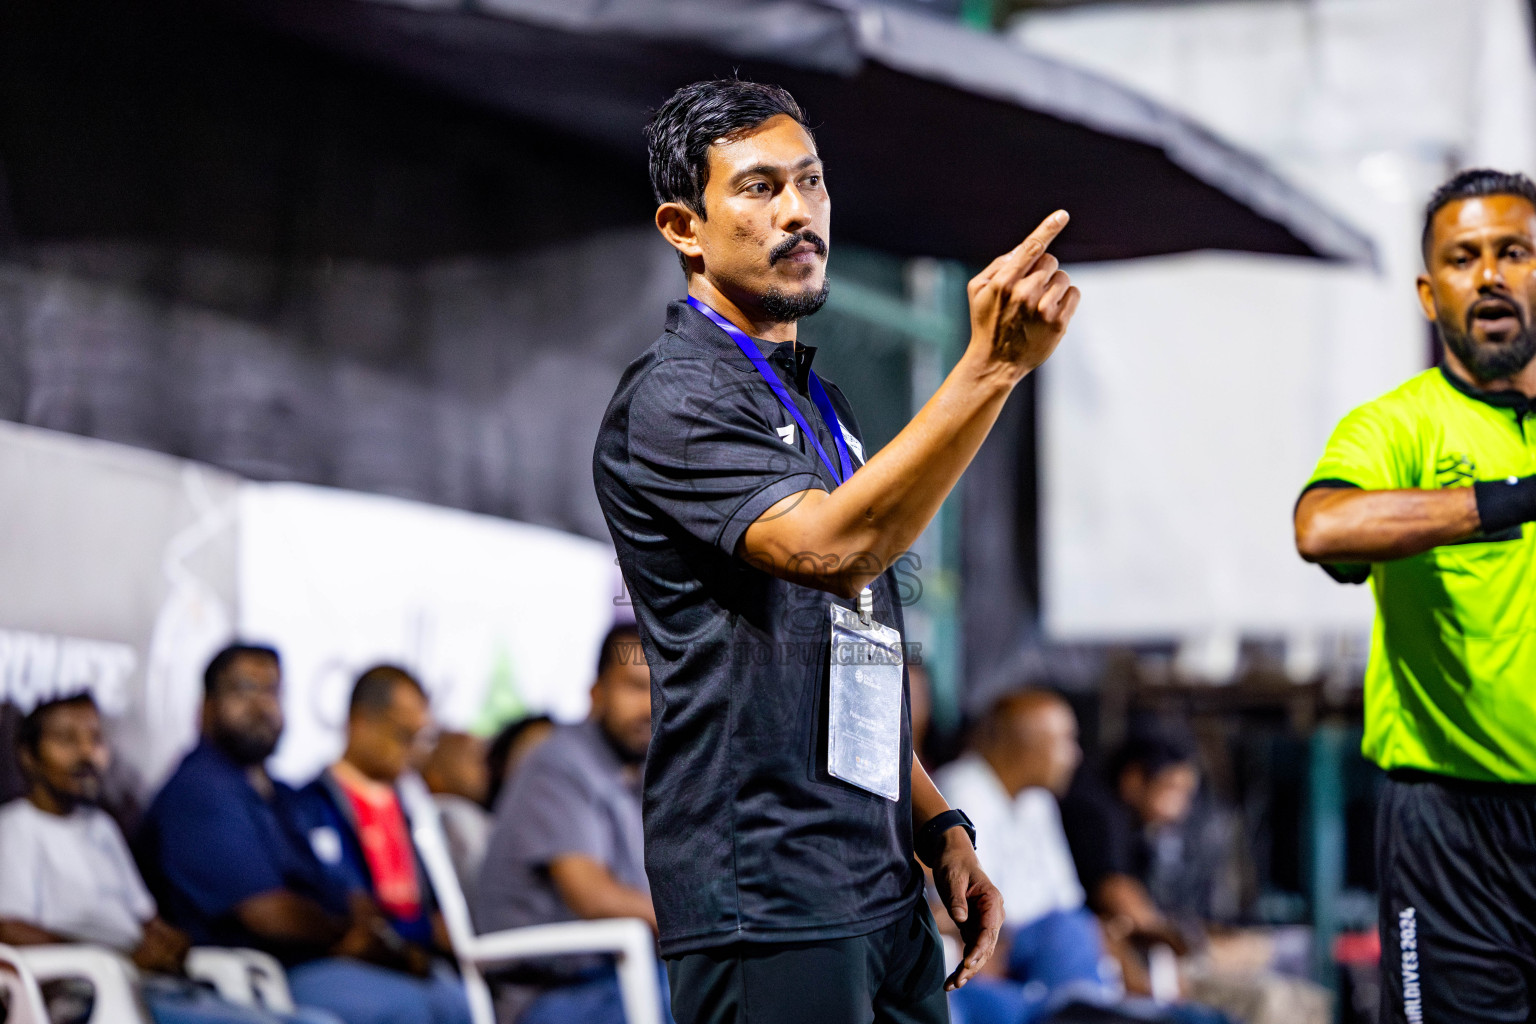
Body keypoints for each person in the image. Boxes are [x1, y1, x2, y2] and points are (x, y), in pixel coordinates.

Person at [593, 77, 1078, 1023]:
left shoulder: (819, 403)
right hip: (765, 894)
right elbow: (834, 552)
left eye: (810, 184)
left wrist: (937, 823)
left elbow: (851, 651)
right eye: (760, 188)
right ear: (684, 227)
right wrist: (989, 367)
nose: (798, 212)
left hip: (878, 884)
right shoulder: (675, 397)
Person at [1294, 167, 1536, 1023]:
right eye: (1466, 259)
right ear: (1431, 295)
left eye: (1514, 252)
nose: (1493, 275)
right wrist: (1510, 497)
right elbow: (1323, 528)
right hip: (1454, 835)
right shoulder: (1397, 426)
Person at [135, 643, 468, 1024]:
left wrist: (359, 921)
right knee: (417, 1010)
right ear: (206, 705)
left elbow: (349, 893)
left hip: (319, 961)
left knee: (454, 997)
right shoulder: (200, 789)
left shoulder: (283, 794)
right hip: (254, 975)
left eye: (272, 691)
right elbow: (270, 914)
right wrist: (343, 932)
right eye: (244, 689)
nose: (262, 706)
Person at [0, 693, 340, 1024]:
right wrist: (120, 957)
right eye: (67, 740)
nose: (87, 754)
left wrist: (170, 943)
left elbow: (145, 917)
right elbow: (10, 928)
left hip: (149, 982)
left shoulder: (101, 828)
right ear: (29, 756)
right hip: (83, 992)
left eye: (96, 740)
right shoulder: (15, 829)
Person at [473, 624, 671, 1024]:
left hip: (616, 974)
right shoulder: (559, 763)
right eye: (634, 687)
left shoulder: (643, 769)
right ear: (596, 693)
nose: (650, 706)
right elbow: (593, 897)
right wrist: (701, 922)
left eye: (659, 688)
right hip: (545, 994)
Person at [288, 666, 472, 1024]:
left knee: (464, 1005)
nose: (414, 751)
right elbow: (337, 911)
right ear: (360, 722)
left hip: (422, 964)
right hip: (347, 964)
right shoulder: (310, 806)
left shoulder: (415, 807)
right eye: (404, 735)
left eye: (422, 737)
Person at [421, 731, 492, 901]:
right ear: (435, 773)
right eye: (473, 760)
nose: (485, 770)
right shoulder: (452, 812)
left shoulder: (471, 813)